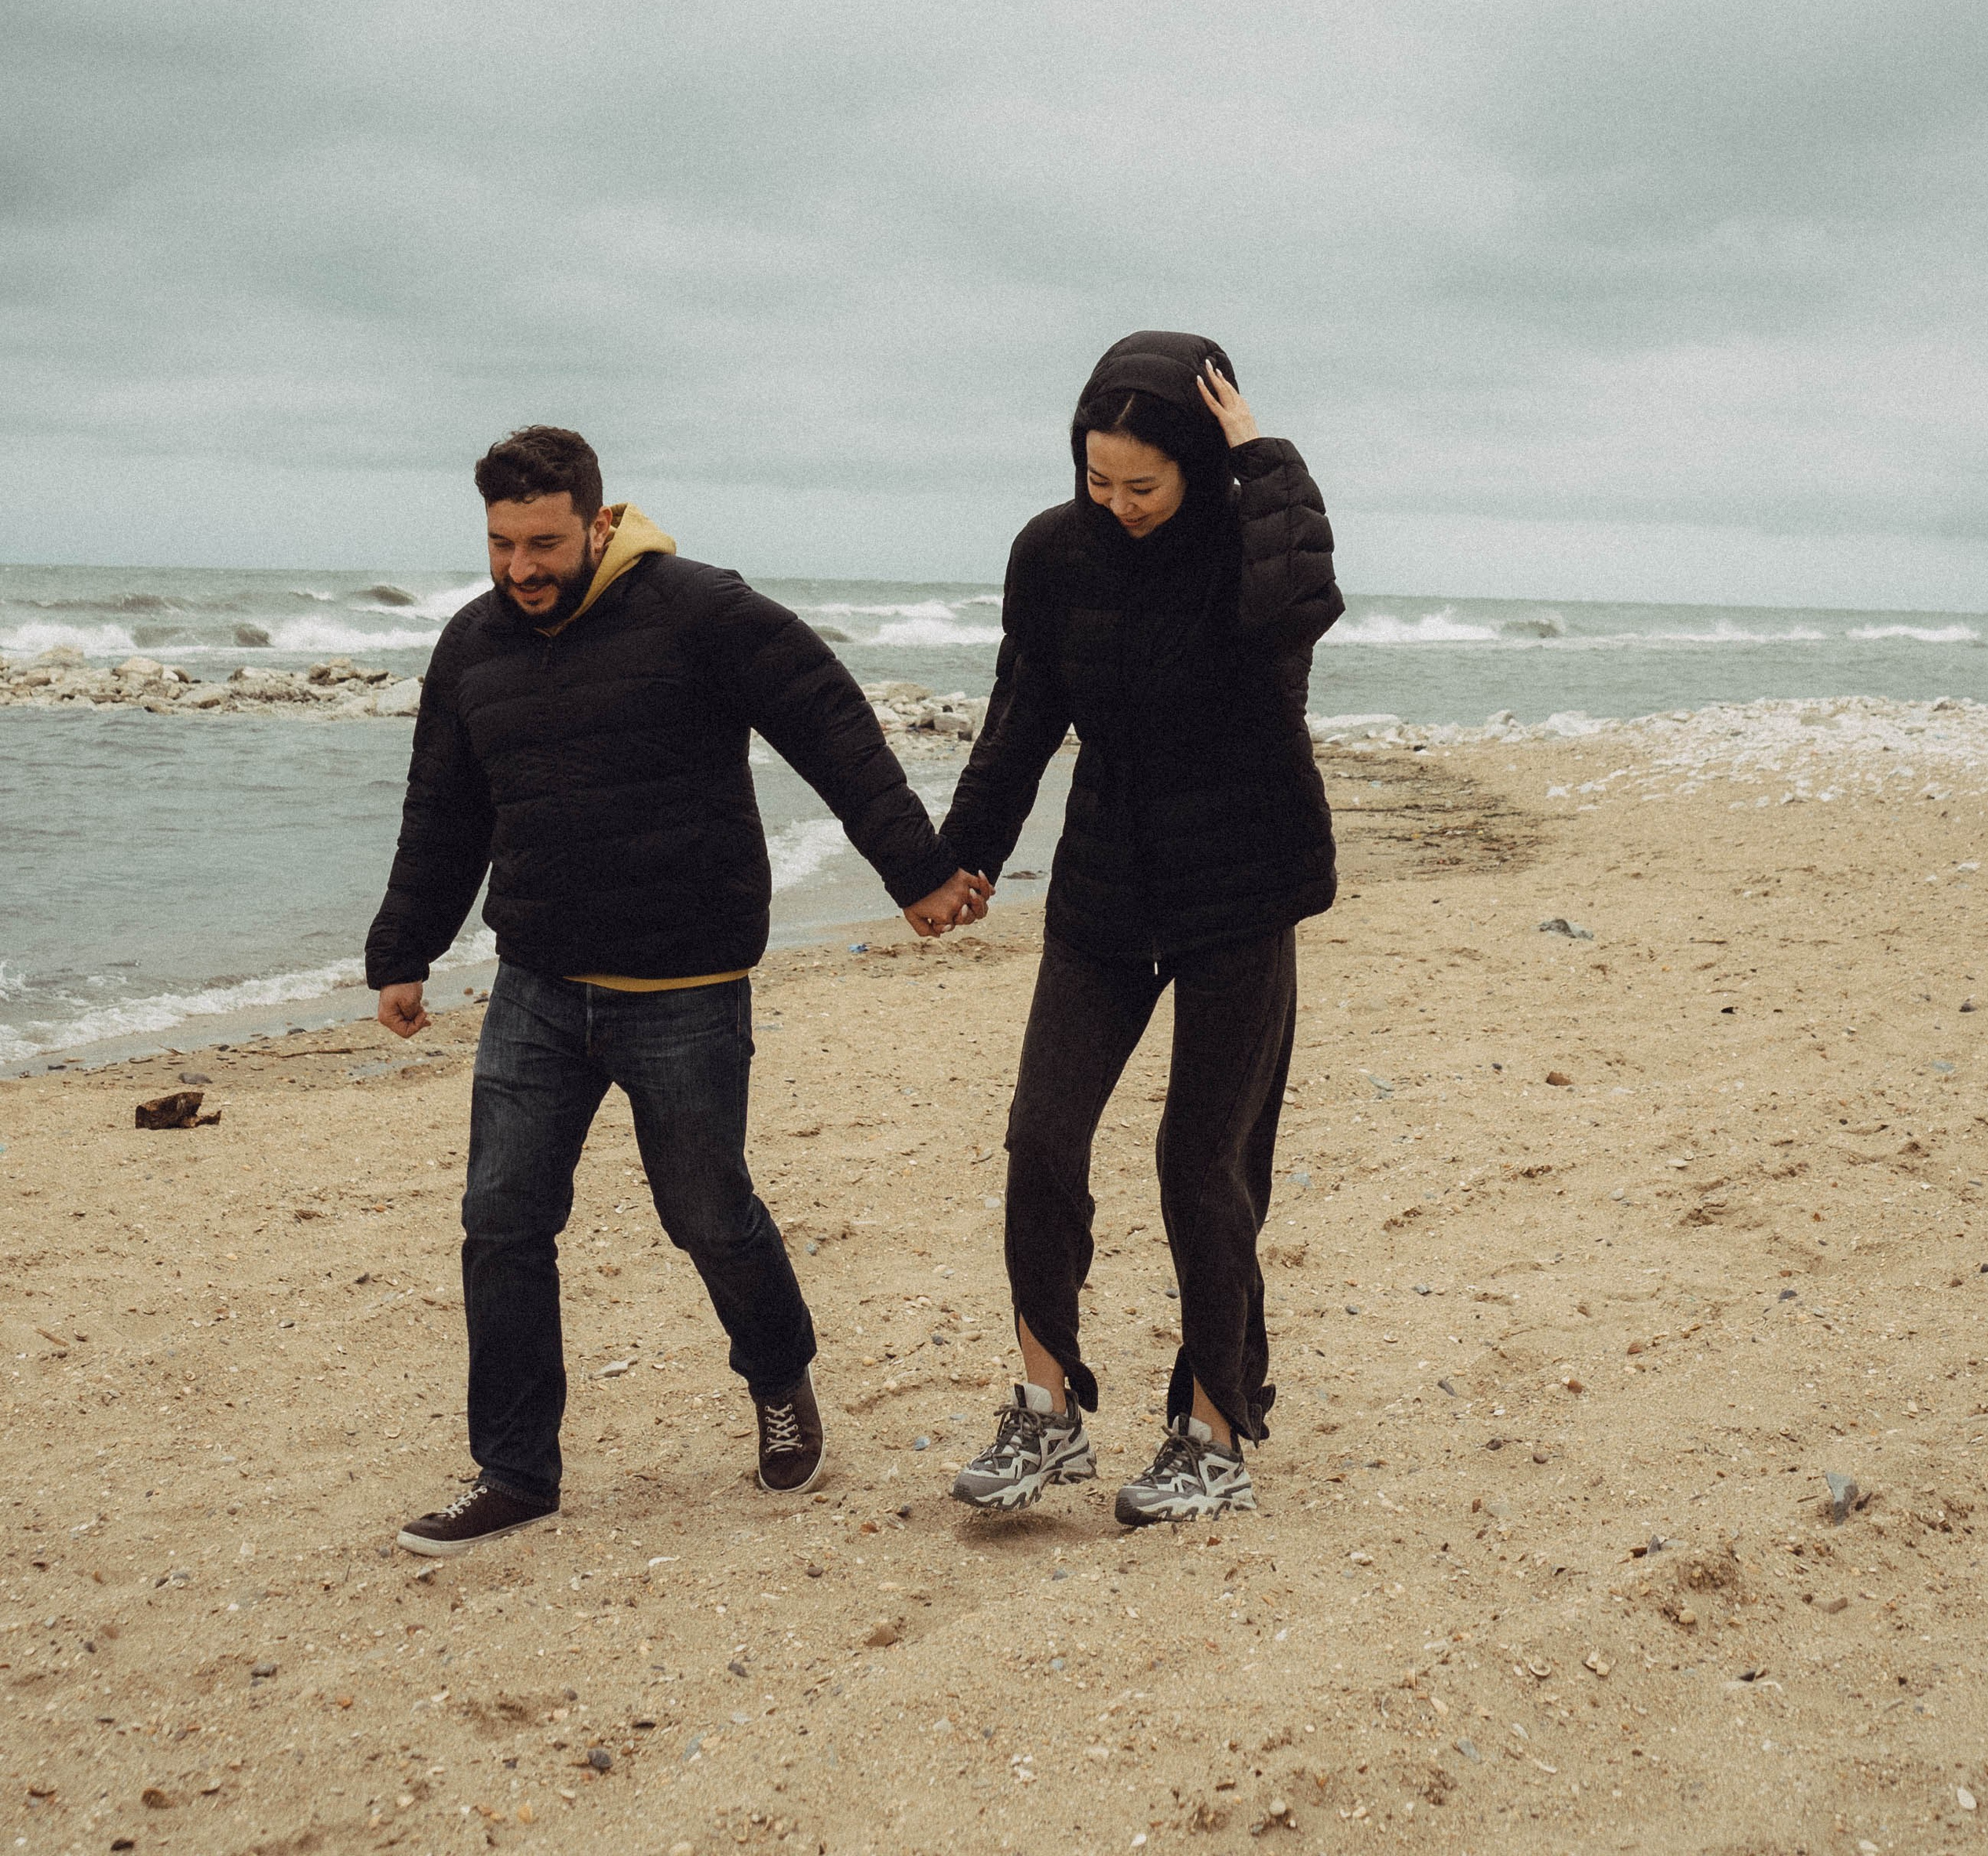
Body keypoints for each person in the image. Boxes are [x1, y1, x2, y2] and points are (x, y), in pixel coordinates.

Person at [364, 424, 992, 1554]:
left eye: (543, 543)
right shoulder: (472, 645)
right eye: (501, 545)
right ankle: (515, 1472)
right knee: (501, 1220)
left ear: (599, 522)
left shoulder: (699, 610)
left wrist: (917, 871)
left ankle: (780, 1376)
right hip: (537, 983)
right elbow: (445, 807)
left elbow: (828, 722)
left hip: (685, 983)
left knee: (705, 1213)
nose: (520, 569)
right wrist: (404, 949)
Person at [938, 334, 1342, 1525]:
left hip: (1242, 884)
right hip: (1106, 884)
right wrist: (965, 854)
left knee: (1201, 1163)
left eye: (1144, 485)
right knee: (1040, 1139)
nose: (1116, 504)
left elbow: (1301, 605)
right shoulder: (1054, 553)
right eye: (1097, 478)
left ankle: (1213, 1430)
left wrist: (1266, 458)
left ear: (1201, 465)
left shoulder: (1249, 543)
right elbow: (1022, 712)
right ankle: (1046, 1406)